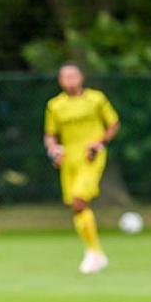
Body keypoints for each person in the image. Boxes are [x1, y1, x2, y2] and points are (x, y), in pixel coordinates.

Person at [43, 62, 121, 274]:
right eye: (66, 77)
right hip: (69, 158)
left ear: (81, 78)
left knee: (79, 200)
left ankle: (94, 253)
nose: (70, 80)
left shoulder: (96, 99)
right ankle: (95, 251)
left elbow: (113, 123)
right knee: (76, 207)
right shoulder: (55, 105)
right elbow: (50, 135)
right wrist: (53, 150)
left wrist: (100, 143)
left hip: (90, 157)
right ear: (60, 81)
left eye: (73, 76)